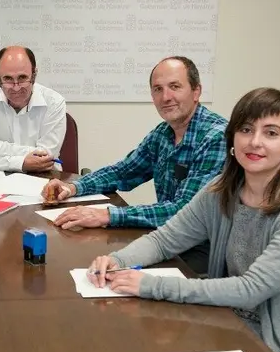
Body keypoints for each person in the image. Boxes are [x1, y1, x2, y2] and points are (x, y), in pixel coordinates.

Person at [87, 88, 280, 352]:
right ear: (232, 138)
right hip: (229, 325)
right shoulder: (222, 191)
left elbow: (252, 289)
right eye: (246, 129)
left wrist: (151, 285)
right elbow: (164, 239)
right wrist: (117, 260)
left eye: (271, 133)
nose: (255, 142)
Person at [42, 56, 227, 274]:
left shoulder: (216, 137)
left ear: (196, 92)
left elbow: (184, 211)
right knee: (94, 262)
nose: (166, 97)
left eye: (175, 87)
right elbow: (122, 172)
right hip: (168, 238)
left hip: (203, 248)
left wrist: (108, 215)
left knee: (113, 274)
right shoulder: (163, 134)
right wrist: (73, 187)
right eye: (158, 89)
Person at [0, 46, 66, 172]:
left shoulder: (54, 102)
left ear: (34, 75)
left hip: (44, 177)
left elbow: (45, 158)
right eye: (8, 79)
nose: (16, 88)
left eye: (22, 78)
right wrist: (22, 163)